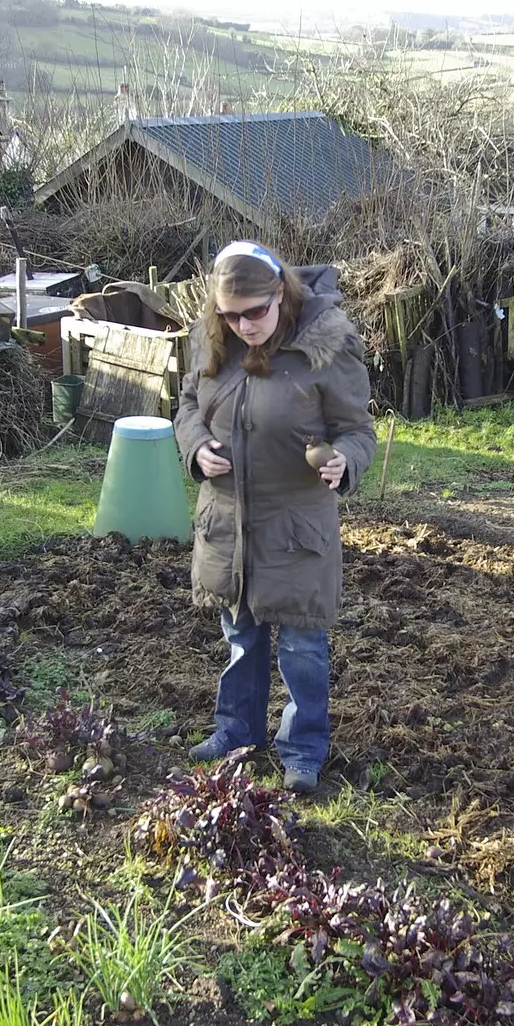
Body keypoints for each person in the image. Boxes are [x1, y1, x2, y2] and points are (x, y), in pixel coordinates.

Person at [172, 240, 376, 793]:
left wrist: (345, 462)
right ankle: (236, 733)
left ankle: (303, 749)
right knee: (241, 636)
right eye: (230, 314)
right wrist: (194, 446)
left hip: (297, 525)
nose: (243, 325)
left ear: (280, 296)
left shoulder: (326, 348)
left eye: (254, 312)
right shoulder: (212, 341)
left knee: (302, 647)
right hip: (228, 522)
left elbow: (358, 430)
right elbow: (188, 406)